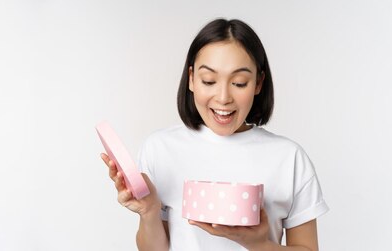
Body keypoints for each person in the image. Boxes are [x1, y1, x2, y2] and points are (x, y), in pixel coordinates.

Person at [101, 18, 329, 250]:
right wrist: (149, 211)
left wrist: (257, 243)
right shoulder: (160, 148)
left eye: (239, 83)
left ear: (258, 83)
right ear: (191, 79)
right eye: (209, 80)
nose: (223, 98)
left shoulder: (289, 158)